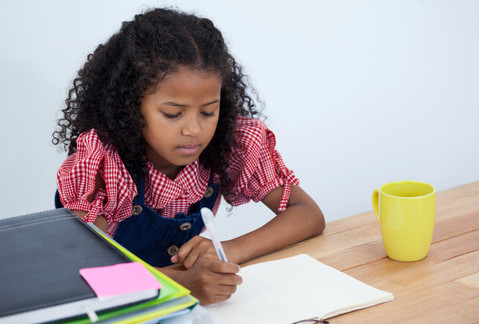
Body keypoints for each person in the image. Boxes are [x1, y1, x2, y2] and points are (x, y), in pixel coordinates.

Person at [53, 7, 325, 305]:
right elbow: (85, 271)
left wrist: (228, 250)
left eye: (208, 111)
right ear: (130, 107)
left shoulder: (232, 143)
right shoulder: (101, 165)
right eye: (173, 114)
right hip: (116, 317)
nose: (194, 130)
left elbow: (308, 214)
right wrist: (180, 284)